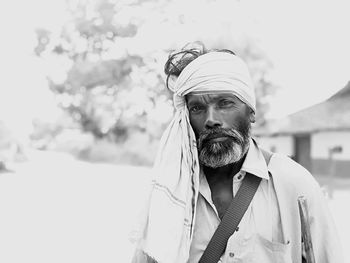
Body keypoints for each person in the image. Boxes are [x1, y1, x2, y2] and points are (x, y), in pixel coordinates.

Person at [130, 42, 343, 263]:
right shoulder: (170, 190)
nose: (211, 119)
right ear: (186, 118)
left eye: (225, 103)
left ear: (250, 112)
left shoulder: (294, 183)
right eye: (197, 108)